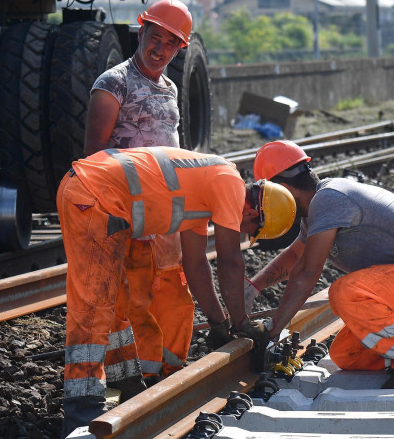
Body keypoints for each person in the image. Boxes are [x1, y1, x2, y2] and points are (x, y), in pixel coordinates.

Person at [58, 146, 296, 436]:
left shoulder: (205, 193)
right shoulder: (228, 182)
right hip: (93, 194)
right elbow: (229, 261)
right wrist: (241, 323)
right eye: (248, 229)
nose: (241, 231)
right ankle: (82, 410)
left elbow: (196, 265)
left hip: (100, 195)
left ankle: (123, 382)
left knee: (116, 302)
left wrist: (219, 323)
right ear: (253, 211)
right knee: (94, 305)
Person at [239, 140, 394, 389]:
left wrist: (272, 331)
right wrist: (253, 287)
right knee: (346, 353)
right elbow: (296, 256)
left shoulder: (329, 199)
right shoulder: (315, 212)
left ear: (283, 189)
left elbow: (307, 272)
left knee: (345, 293)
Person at [82, 0, 193, 391]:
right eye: (155, 37)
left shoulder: (171, 87)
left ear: (181, 48)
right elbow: (93, 156)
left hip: (164, 215)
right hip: (126, 212)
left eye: (170, 43)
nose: (159, 48)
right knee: (128, 300)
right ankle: (129, 379)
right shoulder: (113, 84)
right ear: (140, 32)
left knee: (169, 292)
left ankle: (166, 371)